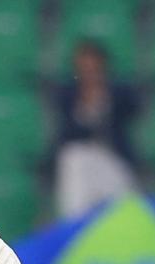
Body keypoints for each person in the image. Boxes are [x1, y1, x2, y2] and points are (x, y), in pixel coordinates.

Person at [54, 40, 139, 218]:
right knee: (75, 203)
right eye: (84, 67)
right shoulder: (67, 95)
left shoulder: (119, 93)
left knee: (122, 208)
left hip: (112, 154)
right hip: (79, 157)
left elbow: (129, 116)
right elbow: (67, 131)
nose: (89, 72)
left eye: (93, 67)